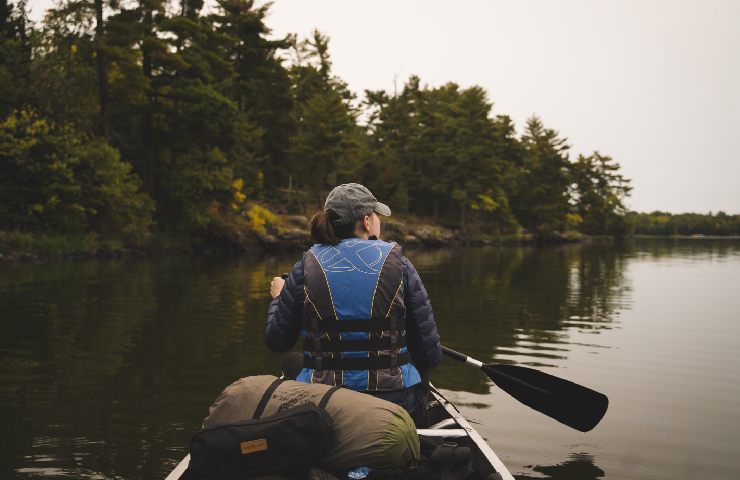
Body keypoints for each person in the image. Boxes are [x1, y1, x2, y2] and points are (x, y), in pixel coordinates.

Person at [266, 183, 442, 421]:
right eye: (377, 215)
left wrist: (278, 299)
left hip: (323, 401)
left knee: (293, 362)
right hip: (394, 402)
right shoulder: (400, 265)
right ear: (366, 221)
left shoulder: (304, 267)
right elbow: (430, 355)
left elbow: (278, 340)